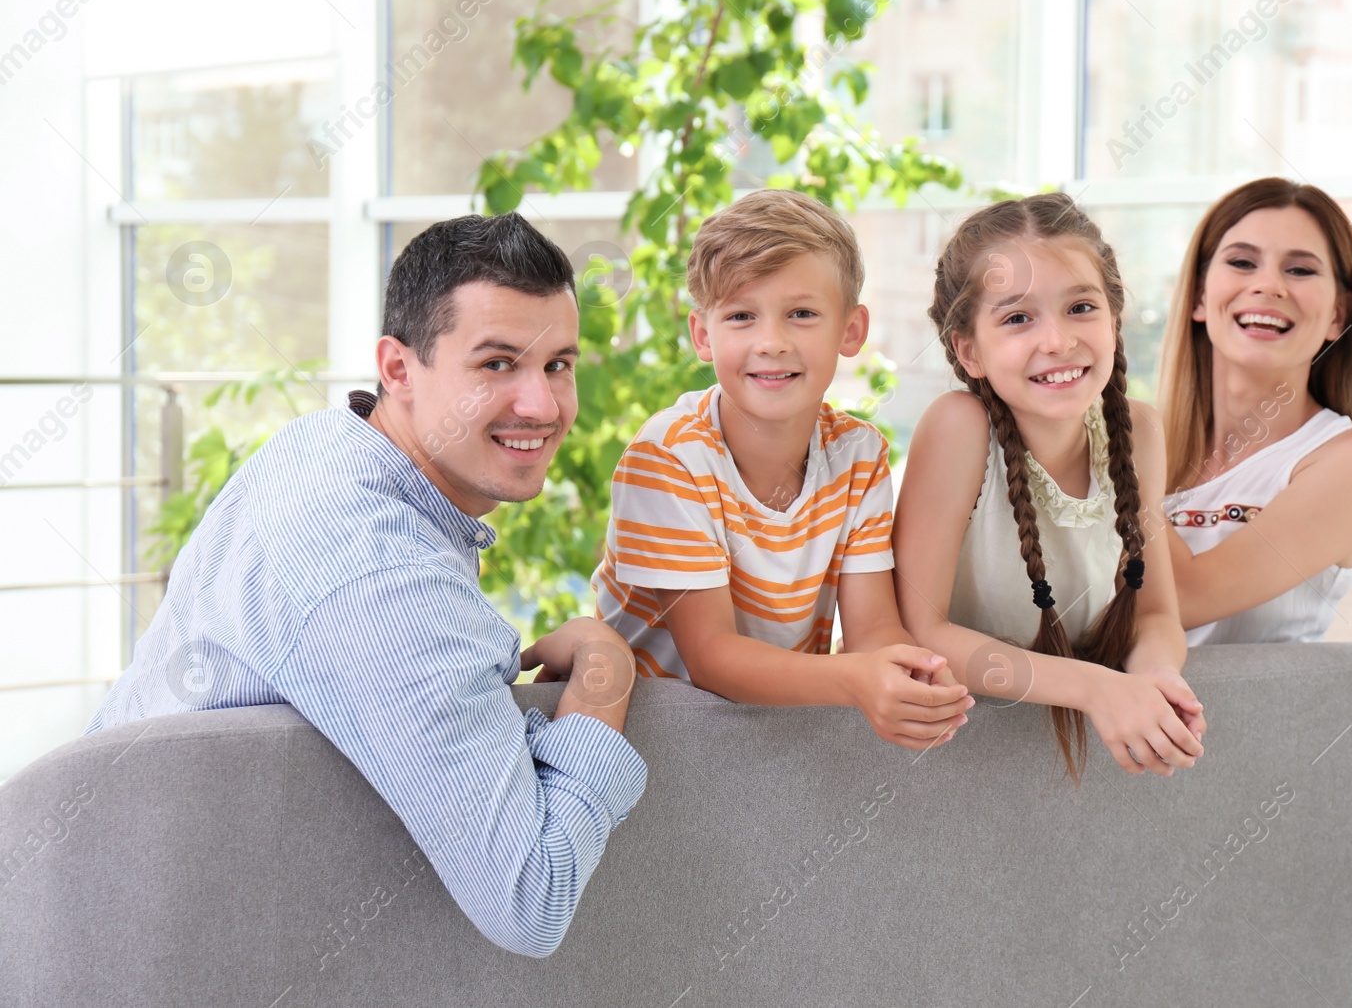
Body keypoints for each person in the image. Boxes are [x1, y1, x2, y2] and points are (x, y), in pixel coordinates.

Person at [87, 214, 647, 958]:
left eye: (558, 364)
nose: (542, 406)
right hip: (149, 949)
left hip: (147, 897)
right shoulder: (379, 577)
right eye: (496, 363)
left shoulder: (328, 441)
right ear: (398, 369)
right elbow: (529, 900)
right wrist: (606, 680)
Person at [591, 189, 973, 751]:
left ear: (851, 330)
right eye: (741, 316)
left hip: (777, 728)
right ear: (703, 335)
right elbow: (713, 658)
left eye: (801, 314)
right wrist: (854, 680)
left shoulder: (859, 454)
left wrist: (909, 671)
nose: (771, 343)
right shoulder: (668, 459)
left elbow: (870, 629)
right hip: (658, 736)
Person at [892, 193, 1206, 782]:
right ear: (969, 350)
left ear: (1114, 320)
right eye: (1017, 318)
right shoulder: (959, 427)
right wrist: (1096, 689)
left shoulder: (1138, 432)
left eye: (1081, 307)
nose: (1057, 341)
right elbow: (922, 631)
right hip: (947, 759)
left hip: (1060, 764)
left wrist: (1157, 674)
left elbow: (1158, 611)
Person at [1157, 178, 1352, 645]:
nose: (1268, 285)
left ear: (1337, 315)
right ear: (1199, 297)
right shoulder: (1142, 444)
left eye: (1300, 270)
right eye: (1242, 262)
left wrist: (1109, 465)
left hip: (1260, 718)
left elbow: (1186, 599)